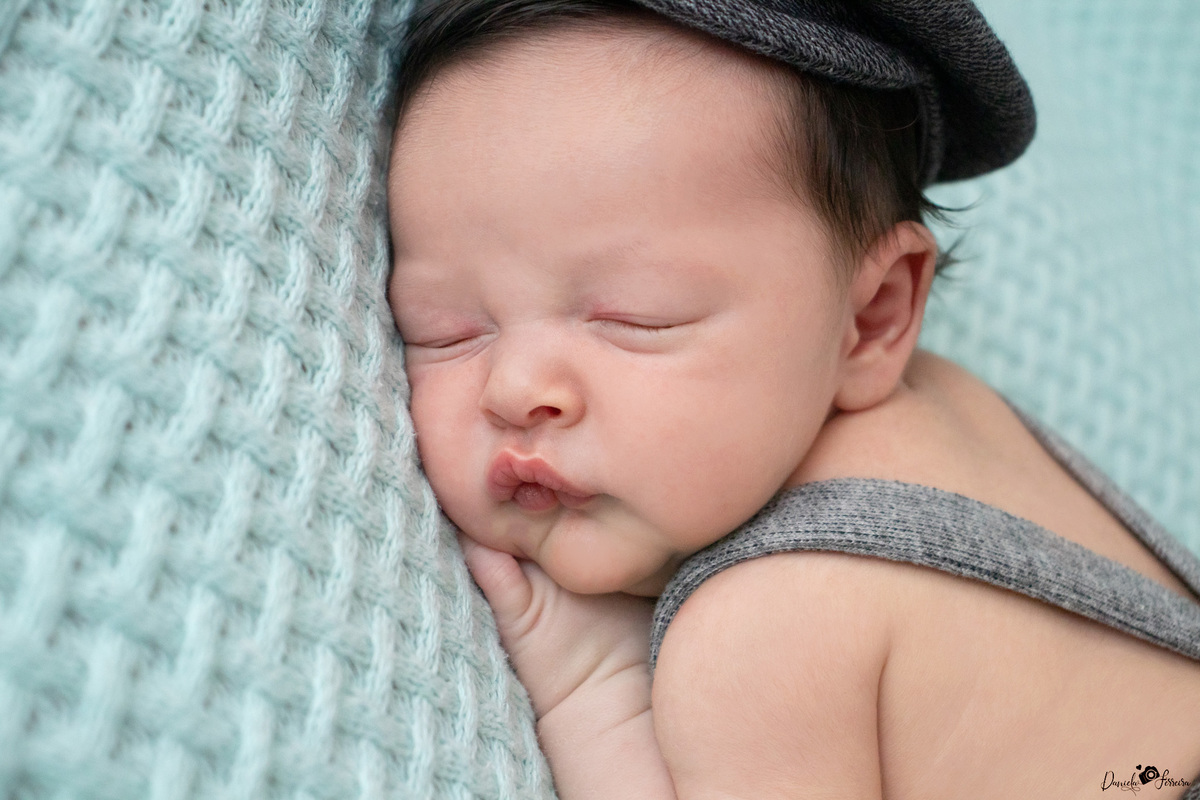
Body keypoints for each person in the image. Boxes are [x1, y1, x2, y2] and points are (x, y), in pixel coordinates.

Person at [385, 0, 1200, 796]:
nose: (518, 389)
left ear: (873, 316)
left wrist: (589, 685)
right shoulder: (958, 408)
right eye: (446, 329)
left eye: (635, 316)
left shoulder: (760, 633)